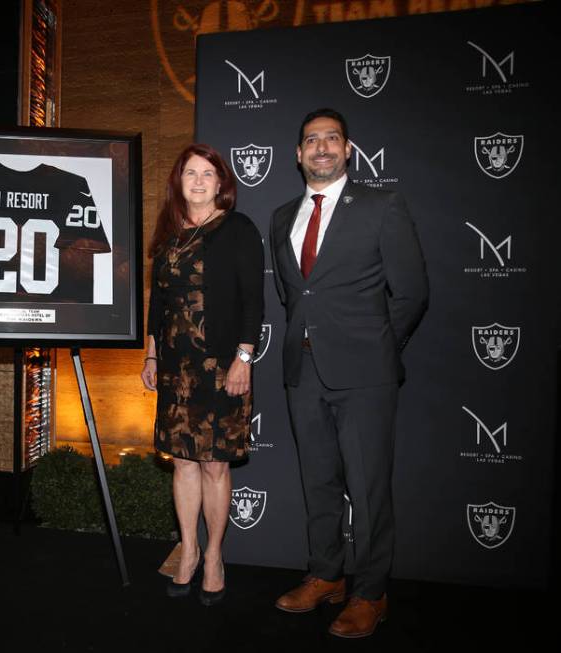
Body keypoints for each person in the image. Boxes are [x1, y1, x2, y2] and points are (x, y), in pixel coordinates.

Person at [269, 108, 428, 637]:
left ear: (347, 149)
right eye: (311, 140)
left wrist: (381, 347)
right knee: (317, 482)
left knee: (368, 487)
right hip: (303, 369)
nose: (320, 147)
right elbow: (295, 295)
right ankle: (326, 575)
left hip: (366, 373)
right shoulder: (282, 216)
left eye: (330, 139)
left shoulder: (382, 206)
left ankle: (370, 591)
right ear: (297, 154)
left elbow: (411, 292)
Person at [141, 143, 263, 607]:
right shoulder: (170, 235)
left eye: (206, 174)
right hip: (175, 369)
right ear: (179, 182)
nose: (197, 181)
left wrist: (243, 359)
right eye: (189, 173)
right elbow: (159, 302)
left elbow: (254, 300)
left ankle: (214, 555)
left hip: (221, 367)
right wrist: (152, 355)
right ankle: (188, 550)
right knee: (183, 462)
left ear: (220, 183)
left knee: (214, 464)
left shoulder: (238, 229)